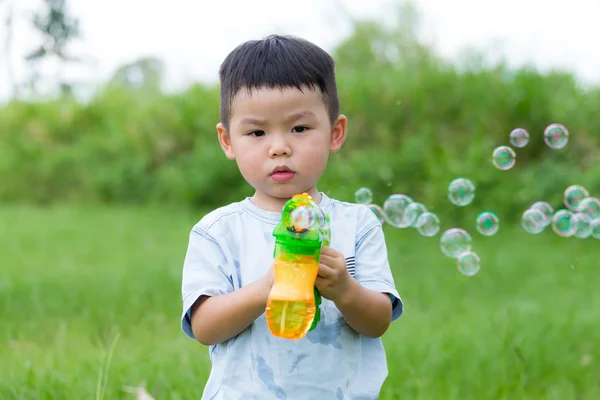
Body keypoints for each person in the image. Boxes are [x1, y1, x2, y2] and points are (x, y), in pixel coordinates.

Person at [180, 34, 403, 400]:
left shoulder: (358, 224)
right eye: (256, 132)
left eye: (299, 128)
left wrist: (346, 291)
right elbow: (204, 326)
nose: (279, 146)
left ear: (335, 133)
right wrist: (269, 285)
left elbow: (377, 322)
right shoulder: (217, 231)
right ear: (227, 141)